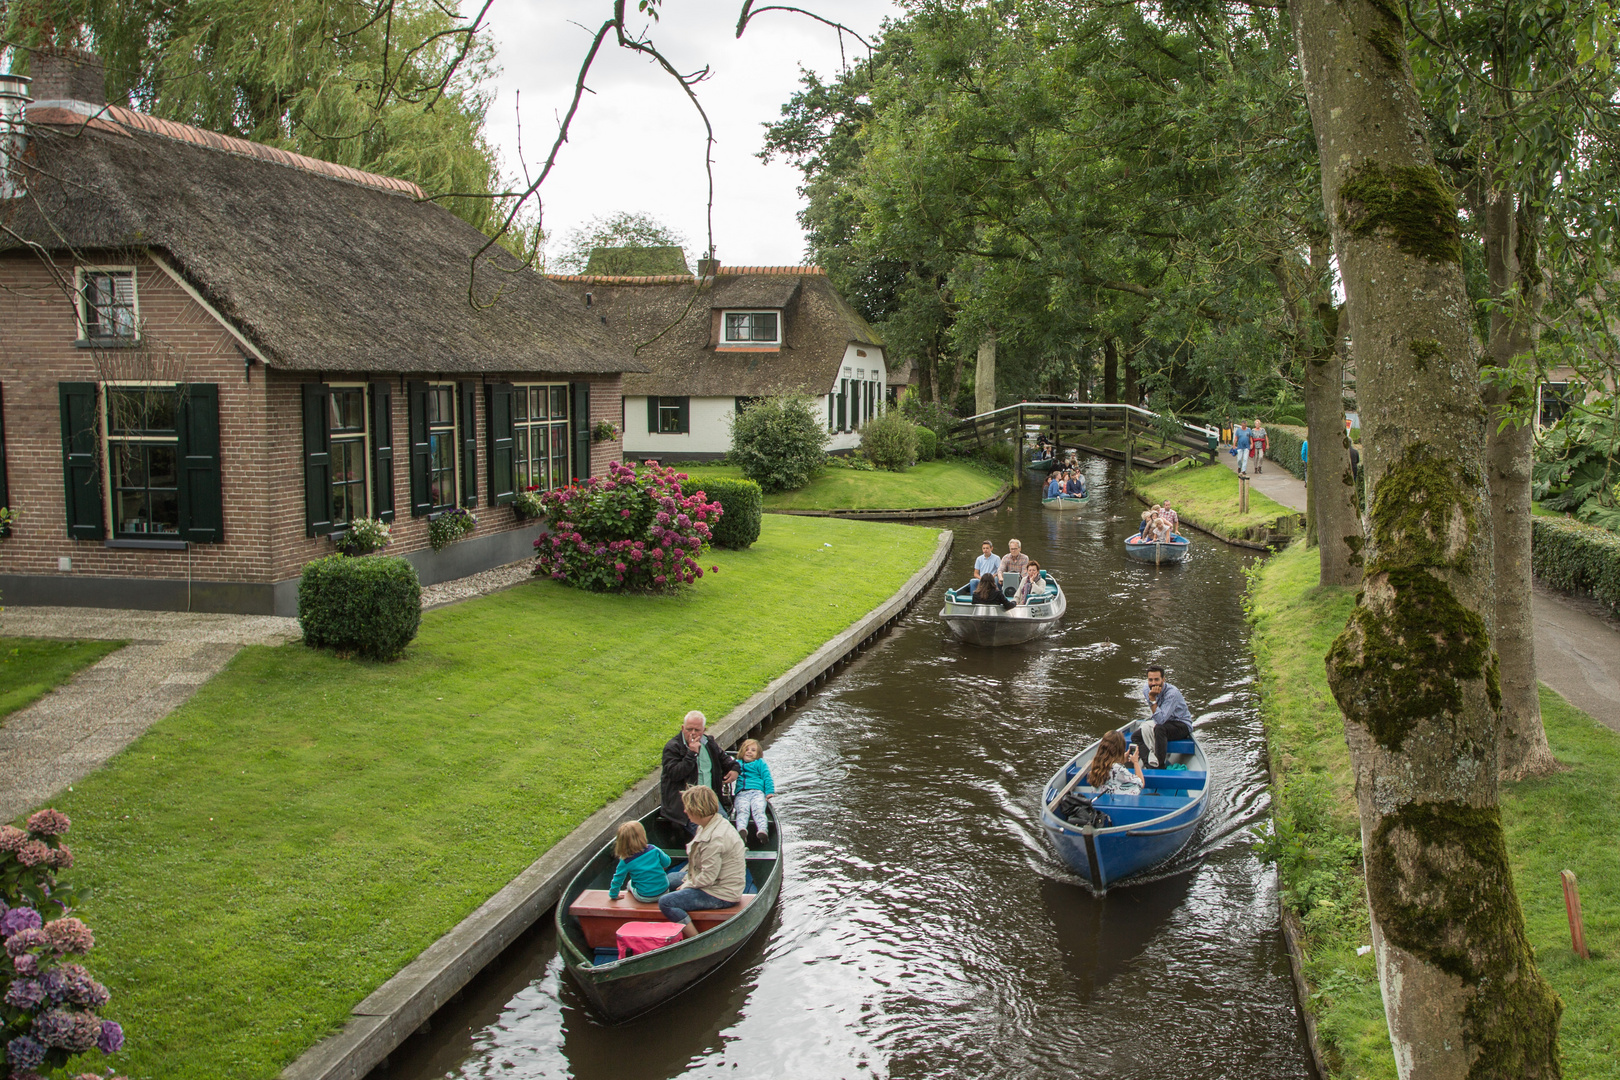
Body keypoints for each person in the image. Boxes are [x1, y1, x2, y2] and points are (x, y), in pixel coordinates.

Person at [659, 786, 746, 939]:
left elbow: (708, 878)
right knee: (669, 879)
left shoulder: (714, 839)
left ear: (696, 809)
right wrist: (688, 881)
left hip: (721, 893)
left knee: (666, 902)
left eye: (687, 808)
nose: (684, 811)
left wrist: (687, 884)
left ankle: (695, 938)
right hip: (712, 881)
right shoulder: (711, 823)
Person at [660, 711, 739, 841]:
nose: (693, 733)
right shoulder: (672, 747)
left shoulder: (709, 743)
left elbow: (725, 760)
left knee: (727, 831)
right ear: (682, 728)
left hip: (710, 799)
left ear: (703, 730)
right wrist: (691, 754)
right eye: (689, 729)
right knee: (707, 837)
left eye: (697, 730)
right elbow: (674, 774)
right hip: (687, 804)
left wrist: (734, 769)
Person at [1131, 664, 1195, 769]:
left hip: (1181, 724)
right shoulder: (1146, 689)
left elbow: (1160, 721)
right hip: (1164, 722)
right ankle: (1149, 763)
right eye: (1150, 680)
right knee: (1136, 736)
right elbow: (1157, 717)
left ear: (1163, 679)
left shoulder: (1172, 693)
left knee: (1160, 729)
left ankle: (1160, 766)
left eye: (1156, 679)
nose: (1153, 683)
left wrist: (1152, 698)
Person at [607, 821, 673, 902]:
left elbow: (618, 879)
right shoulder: (653, 849)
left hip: (645, 897)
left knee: (629, 883)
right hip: (664, 891)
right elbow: (667, 862)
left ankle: (627, 895)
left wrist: (613, 895)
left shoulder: (625, 860)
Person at [731, 738, 775, 840]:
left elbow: (767, 777)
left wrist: (769, 792)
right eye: (747, 750)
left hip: (757, 792)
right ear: (742, 752)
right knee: (742, 810)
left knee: (758, 809)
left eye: (753, 750)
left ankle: (762, 830)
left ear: (758, 753)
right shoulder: (737, 764)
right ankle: (741, 830)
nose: (749, 752)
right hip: (742, 793)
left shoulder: (760, 763)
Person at [1087, 730, 1145, 794]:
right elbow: (1141, 783)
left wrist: (1121, 761)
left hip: (1098, 801)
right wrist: (1136, 762)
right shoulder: (1118, 769)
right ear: (1120, 749)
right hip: (1114, 802)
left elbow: (1113, 773)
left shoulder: (1097, 763)